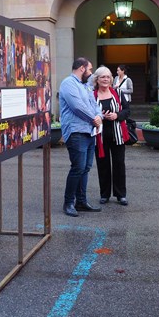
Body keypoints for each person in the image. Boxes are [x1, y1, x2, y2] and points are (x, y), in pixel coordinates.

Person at [59, 57, 103, 217]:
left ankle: (81, 201)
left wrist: (98, 117)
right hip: (76, 131)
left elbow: (94, 104)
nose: (91, 73)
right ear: (82, 68)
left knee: (85, 168)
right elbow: (77, 107)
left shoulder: (85, 86)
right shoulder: (68, 83)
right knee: (77, 168)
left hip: (89, 131)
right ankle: (68, 202)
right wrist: (94, 118)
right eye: (90, 70)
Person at [92, 66, 130, 206]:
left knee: (119, 165)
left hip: (117, 135)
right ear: (97, 79)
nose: (106, 79)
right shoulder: (92, 95)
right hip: (99, 137)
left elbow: (127, 111)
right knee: (103, 166)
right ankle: (104, 194)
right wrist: (99, 116)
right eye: (102, 77)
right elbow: (88, 112)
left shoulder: (118, 93)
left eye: (108, 77)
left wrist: (117, 115)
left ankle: (121, 195)